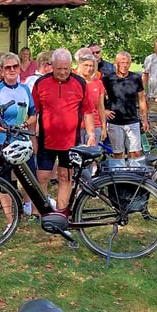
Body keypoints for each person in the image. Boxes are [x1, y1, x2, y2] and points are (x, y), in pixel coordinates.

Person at [31, 48, 96, 211]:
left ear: (71, 66)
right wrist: (32, 137)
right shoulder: (41, 83)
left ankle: (61, 212)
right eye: (58, 69)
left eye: (66, 69)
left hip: (71, 141)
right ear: (52, 65)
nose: (62, 72)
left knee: (65, 176)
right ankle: (41, 212)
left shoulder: (80, 83)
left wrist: (91, 134)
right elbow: (33, 112)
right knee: (42, 177)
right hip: (46, 139)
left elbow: (87, 111)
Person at [0, 51, 37, 218]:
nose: (12, 69)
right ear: (2, 70)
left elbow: (34, 114)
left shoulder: (25, 89)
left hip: (23, 140)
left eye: (15, 66)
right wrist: (1, 128)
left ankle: (31, 211)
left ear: (20, 68)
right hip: (3, 141)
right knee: (5, 181)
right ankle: (9, 220)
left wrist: (26, 124)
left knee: (30, 178)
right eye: (8, 67)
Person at [103, 51, 148, 160]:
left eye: (127, 63)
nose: (125, 65)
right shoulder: (108, 79)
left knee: (136, 152)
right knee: (118, 153)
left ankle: (132, 174)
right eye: (122, 62)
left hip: (132, 120)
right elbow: (99, 97)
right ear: (116, 63)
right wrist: (104, 110)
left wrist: (144, 119)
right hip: (115, 121)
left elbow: (141, 99)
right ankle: (120, 175)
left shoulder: (136, 78)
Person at [77, 53, 107, 145]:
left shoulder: (98, 83)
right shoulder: (74, 82)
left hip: (95, 125)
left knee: (93, 156)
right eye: (86, 65)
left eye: (91, 66)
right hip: (77, 126)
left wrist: (103, 127)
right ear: (80, 65)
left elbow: (101, 107)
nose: (89, 68)